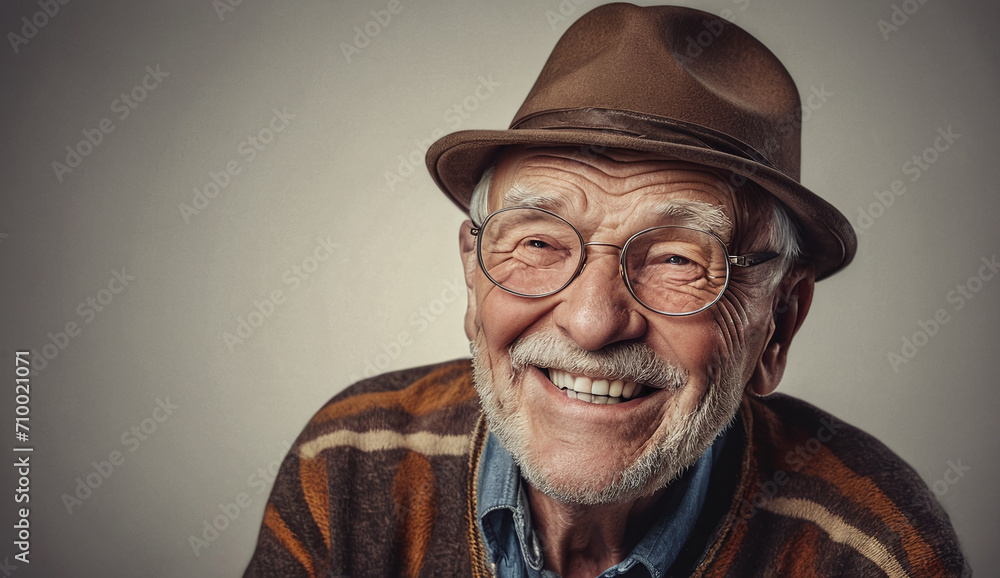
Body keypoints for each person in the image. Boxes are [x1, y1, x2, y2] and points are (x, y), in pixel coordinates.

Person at [244, 4, 969, 576]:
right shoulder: (347, 466)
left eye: (680, 259)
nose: (592, 323)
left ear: (777, 322)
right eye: (538, 242)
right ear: (473, 275)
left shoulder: (876, 551)